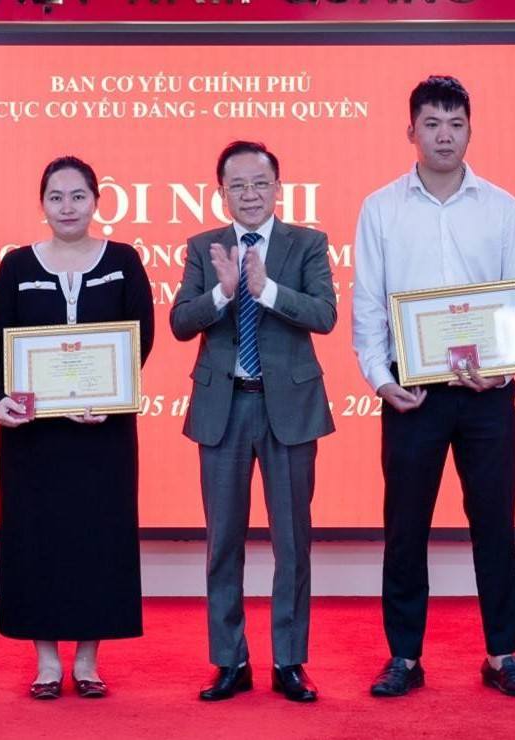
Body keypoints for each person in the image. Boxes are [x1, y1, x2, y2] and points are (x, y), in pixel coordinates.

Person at [351, 75, 515, 699]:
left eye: (456, 124)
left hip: (488, 394)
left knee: (495, 526)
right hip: (414, 395)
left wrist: (503, 369)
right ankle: (404, 657)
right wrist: (382, 380)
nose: (444, 136)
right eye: (432, 124)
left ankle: (503, 654)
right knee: (405, 528)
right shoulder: (381, 207)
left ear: (470, 131)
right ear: (411, 131)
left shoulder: (502, 206)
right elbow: (368, 305)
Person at [170, 141, 336, 703]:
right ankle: (230, 660)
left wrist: (266, 290)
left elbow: (325, 314)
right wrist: (223, 292)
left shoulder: (307, 244)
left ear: (278, 189)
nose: (249, 194)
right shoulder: (203, 247)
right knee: (223, 542)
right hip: (224, 408)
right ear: (221, 192)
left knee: (292, 542)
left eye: (259, 183)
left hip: (289, 408)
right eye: (237, 185)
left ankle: (289, 661)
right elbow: (180, 323)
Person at [0, 156, 154, 700]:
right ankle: (45, 662)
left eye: (78, 196)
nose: (67, 207)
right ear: (42, 203)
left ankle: (87, 660)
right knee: (37, 540)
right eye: (56, 197)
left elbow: (141, 337)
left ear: (96, 201)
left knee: (98, 540)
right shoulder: (16, 265)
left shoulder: (124, 261)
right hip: (33, 437)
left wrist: (111, 396)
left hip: (103, 434)